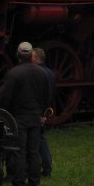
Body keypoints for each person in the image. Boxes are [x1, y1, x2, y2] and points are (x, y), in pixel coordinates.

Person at [0, 41, 51, 186]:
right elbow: (47, 96)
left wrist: (6, 114)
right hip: (35, 117)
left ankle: (19, 183)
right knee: (33, 151)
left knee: (19, 151)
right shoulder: (41, 73)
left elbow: (5, 98)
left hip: (19, 118)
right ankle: (34, 183)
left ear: (18, 55)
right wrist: (41, 112)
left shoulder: (13, 73)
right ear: (30, 55)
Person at [31, 46, 56, 176]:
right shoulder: (50, 73)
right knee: (40, 137)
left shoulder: (39, 73)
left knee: (39, 138)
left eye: (32, 56)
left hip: (37, 110)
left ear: (37, 58)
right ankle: (46, 166)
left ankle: (46, 167)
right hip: (43, 109)